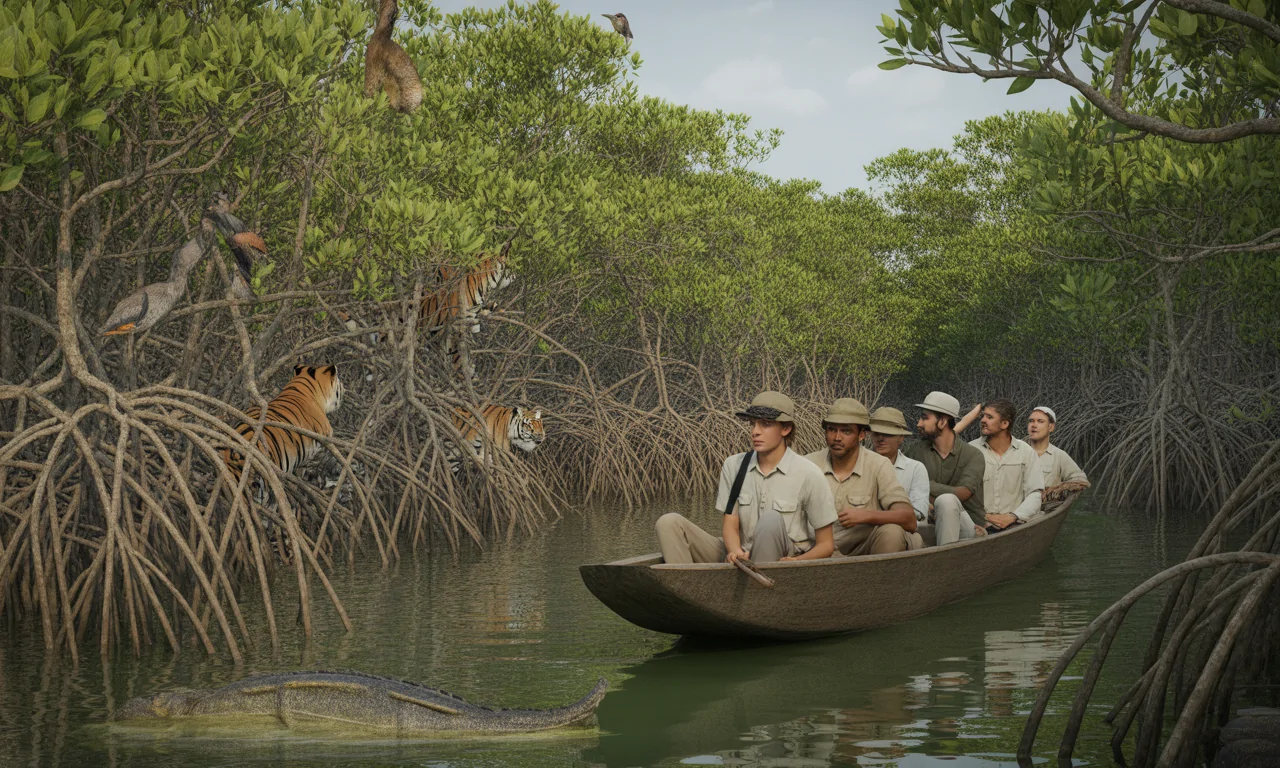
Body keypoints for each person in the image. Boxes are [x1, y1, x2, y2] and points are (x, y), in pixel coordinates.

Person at [655, 391, 836, 564]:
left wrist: (796, 562)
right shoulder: (734, 465)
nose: (755, 432)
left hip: (783, 561)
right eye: (753, 424)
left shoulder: (809, 474)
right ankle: (689, 589)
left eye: (765, 424)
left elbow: (826, 545)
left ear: (786, 428)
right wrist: (735, 551)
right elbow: (730, 523)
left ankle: (756, 589)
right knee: (668, 523)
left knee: (770, 520)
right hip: (740, 556)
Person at [804, 398, 917, 556]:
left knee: (892, 531)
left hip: (863, 553)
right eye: (831, 429)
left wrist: (867, 516)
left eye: (846, 431)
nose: (837, 437)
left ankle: (879, 580)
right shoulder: (808, 464)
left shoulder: (879, 464)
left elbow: (909, 519)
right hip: (816, 552)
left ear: (862, 435)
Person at [905, 391, 987, 546]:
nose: (918, 423)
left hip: (968, 528)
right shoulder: (916, 452)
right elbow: (906, 490)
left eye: (924, 417)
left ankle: (945, 561)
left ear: (942, 421)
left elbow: (962, 493)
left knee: (947, 501)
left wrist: (924, 485)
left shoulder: (973, 455)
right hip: (929, 524)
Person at [971, 398, 1044, 532]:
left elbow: (1035, 493)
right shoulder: (971, 450)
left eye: (989, 417)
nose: (983, 420)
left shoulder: (1026, 452)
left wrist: (1012, 517)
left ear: (1004, 424)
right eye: (983, 416)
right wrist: (984, 517)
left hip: (1014, 525)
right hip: (978, 524)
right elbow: (962, 493)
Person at [869, 406, 930, 526]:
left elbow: (919, 514)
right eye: (876, 433)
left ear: (901, 437)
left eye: (887, 434)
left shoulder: (915, 469)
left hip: (902, 531)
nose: (880, 439)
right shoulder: (859, 465)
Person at [1026, 406, 1088, 486]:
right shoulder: (1016, 451)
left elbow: (1080, 481)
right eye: (1031, 421)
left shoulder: (1059, 456)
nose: (1034, 425)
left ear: (1051, 427)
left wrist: (1057, 494)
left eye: (1040, 421)